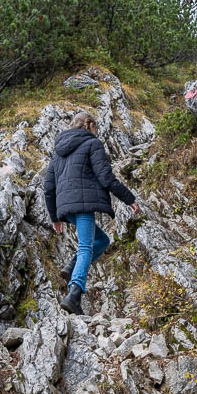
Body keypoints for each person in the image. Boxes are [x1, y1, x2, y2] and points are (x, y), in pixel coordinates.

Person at [43, 112, 141, 315]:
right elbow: (106, 177)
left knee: (102, 241)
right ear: (89, 124)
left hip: (65, 208)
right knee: (86, 246)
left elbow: (48, 187)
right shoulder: (92, 144)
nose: (96, 131)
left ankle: (71, 267)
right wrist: (129, 199)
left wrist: (55, 217)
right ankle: (74, 294)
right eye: (95, 127)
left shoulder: (58, 151)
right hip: (84, 205)